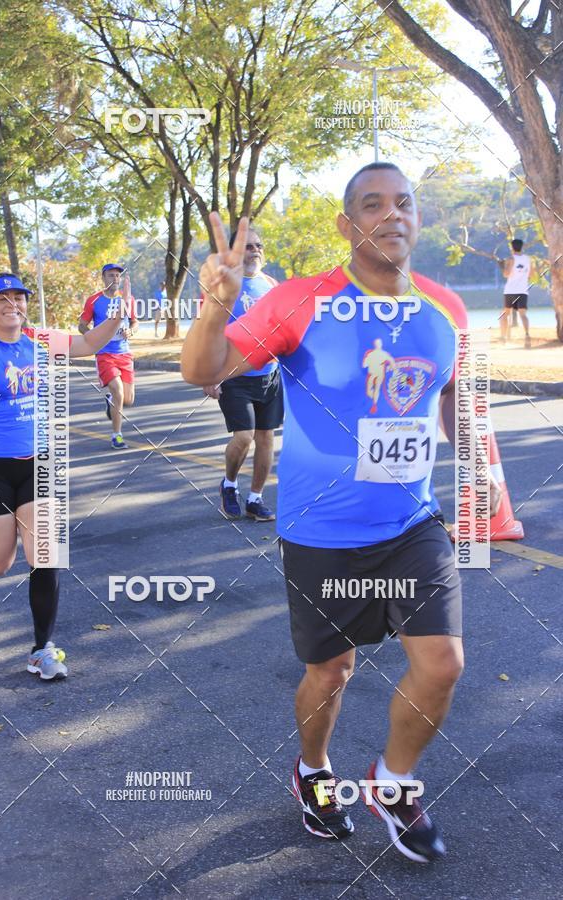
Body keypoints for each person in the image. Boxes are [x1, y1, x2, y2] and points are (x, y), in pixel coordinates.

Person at [181, 163, 502, 861]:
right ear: (347, 224)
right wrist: (216, 305)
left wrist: (479, 461)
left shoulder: (445, 306)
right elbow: (205, 371)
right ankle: (313, 770)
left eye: (404, 203)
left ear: (418, 218)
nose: (392, 215)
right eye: (372, 204)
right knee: (332, 671)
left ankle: (393, 780)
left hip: (413, 524)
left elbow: (451, 399)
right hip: (321, 528)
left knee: (443, 663)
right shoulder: (304, 301)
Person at [0, 271, 125, 680]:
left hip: (39, 463)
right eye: (0, 299)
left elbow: (88, 344)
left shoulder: (40, 339)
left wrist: (116, 317)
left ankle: (41, 649)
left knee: (47, 556)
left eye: (17, 297)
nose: (10, 303)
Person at [203, 226, 283, 522]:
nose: (255, 251)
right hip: (234, 375)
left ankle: (255, 499)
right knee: (244, 437)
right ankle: (229, 484)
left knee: (266, 439)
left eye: (258, 245)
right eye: (248, 246)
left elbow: (282, 329)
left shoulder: (272, 285)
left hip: (270, 374)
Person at [79, 263, 138, 449]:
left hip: (124, 353)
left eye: (117, 276)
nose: (115, 278)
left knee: (128, 399)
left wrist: (131, 330)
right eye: (111, 275)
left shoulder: (127, 299)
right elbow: (82, 325)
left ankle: (111, 401)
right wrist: (93, 337)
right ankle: (117, 436)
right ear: (103, 278)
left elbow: (135, 322)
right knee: (118, 390)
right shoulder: (94, 300)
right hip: (104, 353)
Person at [500, 238, 535, 347]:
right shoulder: (528, 259)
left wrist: (504, 267)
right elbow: (531, 274)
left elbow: (506, 274)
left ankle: (503, 338)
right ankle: (527, 335)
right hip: (523, 290)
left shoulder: (510, 259)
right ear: (522, 247)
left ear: (512, 247)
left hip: (510, 290)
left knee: (505, 314)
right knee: (523, 314)